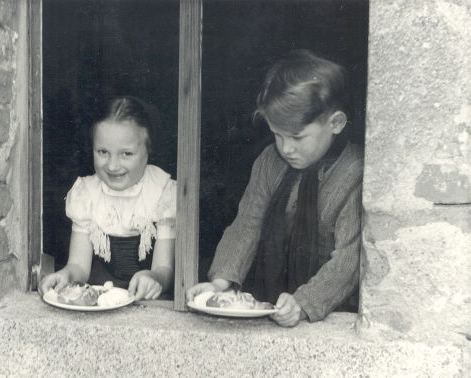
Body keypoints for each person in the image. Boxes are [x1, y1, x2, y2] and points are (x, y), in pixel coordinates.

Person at [187, 50, 363, 327]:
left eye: (297, 137)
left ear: (336, 123)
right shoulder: (270, 161)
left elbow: (349, 260)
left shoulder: (354, 172)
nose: (286, 148)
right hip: (272, 301)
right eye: (277, 135)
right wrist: (220, 283)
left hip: (329, 315)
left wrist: (304, 303)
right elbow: (247, 223)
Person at [39, 96, 176, 300]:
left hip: (149, 301)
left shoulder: (162, 193)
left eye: (126, 154)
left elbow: (165, 269)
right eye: (103, 152)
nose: (112, 166)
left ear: (148, 150)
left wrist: (153, 277)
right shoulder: (86, 194)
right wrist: (65, 275)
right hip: (102, 299)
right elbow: (78, 266)